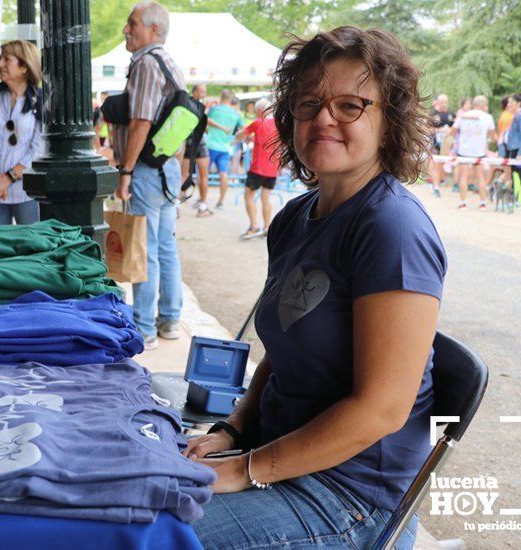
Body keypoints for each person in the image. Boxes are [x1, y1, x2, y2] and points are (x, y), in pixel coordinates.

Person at [187, 26, 445, 550]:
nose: (324, 117)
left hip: (350, 500)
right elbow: (282, 354)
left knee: (142, 532)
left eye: (351, 105)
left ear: (388, 121)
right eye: (309, 103)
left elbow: (382, 409)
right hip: (280, 457)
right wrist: (233, 432)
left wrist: (246, 468)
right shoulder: (294, 218)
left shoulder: (392, 228)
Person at [112, 1, 185, 349]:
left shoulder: (145, 64)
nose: (127, 29)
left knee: (146, 247)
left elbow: (141, 121)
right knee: (166, 247)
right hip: (167, 170)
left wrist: (125, 171)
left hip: (145, 170)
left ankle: (143, 327)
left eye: (133, 23)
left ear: (153, 30)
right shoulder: (171, 63)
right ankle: (169, 320)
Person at [0, 39, 43, 225]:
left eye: (7, 60)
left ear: (24, 67)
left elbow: (38, 150)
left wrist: (8, 178)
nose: (0, 65)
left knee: (30, 246)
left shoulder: (39, 101)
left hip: (26, 192)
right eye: (0, 59)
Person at [239, 98, 279, 239]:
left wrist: (240, 137)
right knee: (265, 197)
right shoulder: (277, 124)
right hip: (273, 168)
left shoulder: (257, 122)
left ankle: (254, 226)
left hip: (258, 168)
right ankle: (267, 227)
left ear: (260, 110)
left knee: (248, 195)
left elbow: (240, 135)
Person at [450, 95, 497, 210]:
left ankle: (463, 203)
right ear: (482, 105)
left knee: (463, 177)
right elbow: (493, 135)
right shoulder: (488, 117)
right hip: (479, 151)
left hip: (464, 150)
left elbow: (452, 131)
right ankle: (482, 203)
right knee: (480, 177)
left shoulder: (463, 116)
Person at [206, 89, 244, 209]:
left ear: (221, 97)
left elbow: (204, 120)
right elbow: (244, 130)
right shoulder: (235, 114)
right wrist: (236, 141)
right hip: (225, 147)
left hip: (210, 145)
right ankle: (221, 201)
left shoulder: (214, 109)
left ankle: (203, 200)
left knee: (204, 174)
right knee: (224, 174)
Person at [180, 84, 212, 216]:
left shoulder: (186, 103)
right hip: (196, 142)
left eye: (205, 91)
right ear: (195, 92)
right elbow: (201, 120)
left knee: (188, 175)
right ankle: (202, 207)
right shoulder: (194, 105)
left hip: (190, 142)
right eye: (202, 91)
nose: (204, 93)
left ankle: (178, 207)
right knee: (201, 176)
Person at [426, 94, 454, 194]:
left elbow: (455, 128)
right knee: (436, 164)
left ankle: (440, 181)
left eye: (445, 102)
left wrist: (450, 130)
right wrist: (439, 130)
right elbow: (427, 129)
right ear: (437, 102)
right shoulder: (433, 114)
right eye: (442, 102)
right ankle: (435, 186)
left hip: (447, 144)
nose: (444, 104)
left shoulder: (451, 113)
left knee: (443, 164)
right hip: (435, 143)